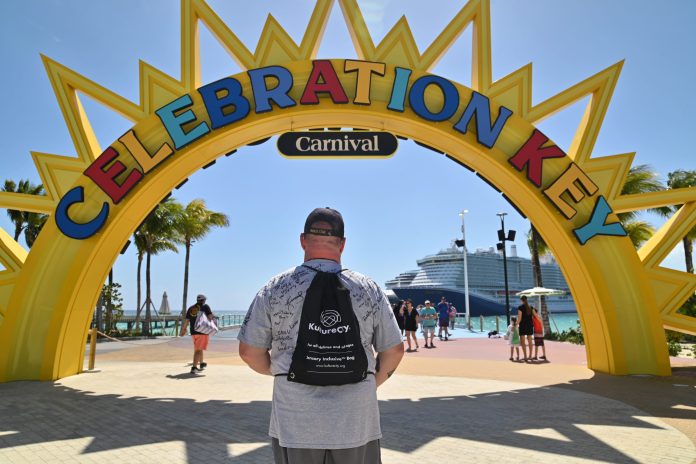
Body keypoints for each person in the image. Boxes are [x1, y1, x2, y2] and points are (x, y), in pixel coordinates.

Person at [237, 207, 404, 464]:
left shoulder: (275, 288)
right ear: (343, 244)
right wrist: (368, 383)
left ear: (303, 240)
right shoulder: (369, 289)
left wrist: (282, 372)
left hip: (295, 421)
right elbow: (394, 350)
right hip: (357, 419)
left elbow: (249, 352)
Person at [180, 294, 214, 374]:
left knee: (198, 348)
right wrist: (213, 317)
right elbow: (210, 317)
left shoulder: (191, 308)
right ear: (203, 300)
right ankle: (194, 368)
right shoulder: (205, 307)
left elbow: (187, 321)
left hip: (193, 332)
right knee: (198, 350)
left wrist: (183, 330)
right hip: (202, 331)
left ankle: (201, 363)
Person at [516, 295, 536, 362]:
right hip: (530, 325)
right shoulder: (531, 307)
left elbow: (519, 319)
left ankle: (525, 357)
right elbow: (535, 316)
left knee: (523, 341)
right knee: (530, 341)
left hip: (523, 326)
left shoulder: (520, 307)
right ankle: (530, 356)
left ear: (521, 300)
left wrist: (515, 325)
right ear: (526, 299)